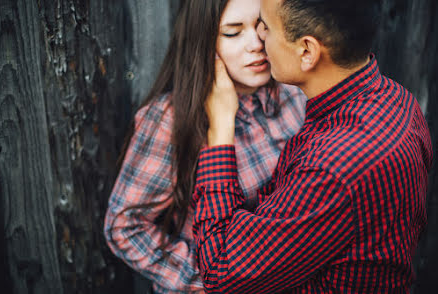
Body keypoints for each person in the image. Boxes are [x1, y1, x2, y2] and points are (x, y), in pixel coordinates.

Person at [192, 0, 433, 293]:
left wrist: (218, 132)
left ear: (307, 51)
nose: (259, 36)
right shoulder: (399, 101)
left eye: (265, 26)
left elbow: (221, 273)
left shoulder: (333, 169)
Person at [103, 0, 306, 293]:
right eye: (233, 32)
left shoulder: (292, 92)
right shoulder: (170, 120)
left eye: (261, 26)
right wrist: (207, 281)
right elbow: (125, 226)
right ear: (203, 41)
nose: (256, 44)